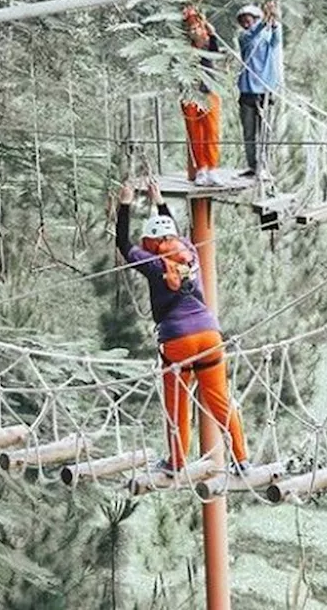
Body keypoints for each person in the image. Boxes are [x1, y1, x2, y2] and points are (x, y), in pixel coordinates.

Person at [117, 179, 248, 476]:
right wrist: (159, 201)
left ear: (150, 243)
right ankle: (242, 459)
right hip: (210, 335)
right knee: (219, 400)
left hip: (177, 340)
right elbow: (173, 232)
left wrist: (125, 203)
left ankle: (176, 461)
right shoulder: (190, 252)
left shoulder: (152, 264)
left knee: (178, 404)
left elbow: (124, 245)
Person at [236, 0, 282, 180]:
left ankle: (263, 166)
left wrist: (273, 21)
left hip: (265, 90)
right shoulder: (244, 37)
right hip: (247, 90)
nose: (247, 23)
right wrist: (264, 22)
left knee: (264, 132)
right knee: (249, 132)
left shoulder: (268, 37)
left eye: (250, 20)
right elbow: (253, 34)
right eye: (244, 21)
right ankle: (252, 165)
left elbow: (276, 39)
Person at [181, 7, 222, 187]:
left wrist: (211, 32)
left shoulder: (208, 43)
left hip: (208, 93)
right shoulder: (183, 47)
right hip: (190, 94)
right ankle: (201, 169)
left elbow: (215, 51)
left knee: (211, 131)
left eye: (197, 27)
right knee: (195, 133)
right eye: (191, 28)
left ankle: (212, 168)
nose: (194, 31)